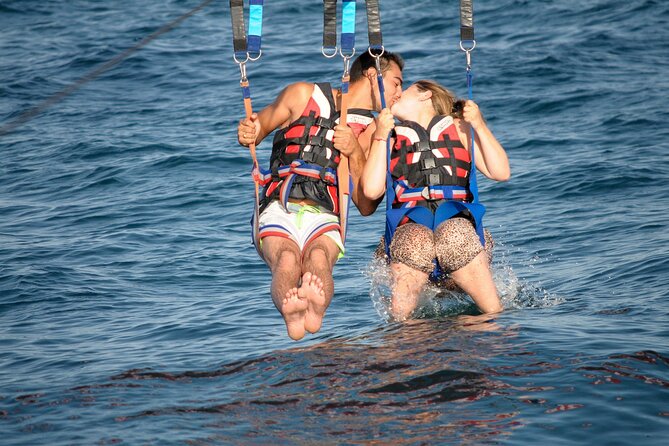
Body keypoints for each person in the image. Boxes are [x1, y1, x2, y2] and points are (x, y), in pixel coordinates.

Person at [237, 52, 404, 340]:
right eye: (397, 83)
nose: (399, 93)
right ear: (372, 75)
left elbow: (365, 204)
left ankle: (315, 310)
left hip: (326, 214)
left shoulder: (376, 130)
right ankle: (290, 310)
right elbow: (260, 127)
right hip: (279, 205)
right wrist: (248, 131)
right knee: (286, 259)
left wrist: (353, 151)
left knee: (318, 258)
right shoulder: (302, 94)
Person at [361, 80, 510, 320]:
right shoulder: (389, 137)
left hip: (459, 234)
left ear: (425, 94)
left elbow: (500, 172)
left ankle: (493, 322)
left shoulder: (460, 128)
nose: (396, 93)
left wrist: (479, 126)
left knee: (453, 234)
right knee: (415, 239)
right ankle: (403, 335)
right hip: (410, 234)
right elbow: (371, 190)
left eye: (404, 87)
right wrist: (379, 137)